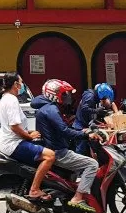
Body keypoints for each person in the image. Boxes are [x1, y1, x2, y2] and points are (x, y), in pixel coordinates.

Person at [31, 79, 100, 212]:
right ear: (54, 94)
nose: (68, 97)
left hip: (54, 148)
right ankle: (78, 197)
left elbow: (61, 129)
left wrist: (81, 131)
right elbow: (64, 131)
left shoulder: (47, 108)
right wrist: (86, 135)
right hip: (59, 152)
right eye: (64, 94)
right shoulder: (51, 109)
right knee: (92, 164)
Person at [0, 72, 55, 202]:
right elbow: (14, 127)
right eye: (21, 83)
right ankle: (34, 189)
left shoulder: (5, 98)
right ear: (16, 85)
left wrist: (30, 132)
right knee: (50, 155)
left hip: (9, 142)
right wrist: (29, 137)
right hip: (14, 144)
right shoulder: (11, 100)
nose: (22, 85)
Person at [73, 83, 117, 155]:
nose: (104, 100)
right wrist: (97, 111)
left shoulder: (96, 99)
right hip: (81, 126)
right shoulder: (90, 96)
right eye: (104, 98)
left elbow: (92, 113)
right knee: (81, 149)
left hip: (88, 126)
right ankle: (77, 165)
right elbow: (85, 109)